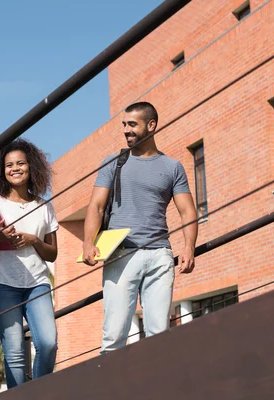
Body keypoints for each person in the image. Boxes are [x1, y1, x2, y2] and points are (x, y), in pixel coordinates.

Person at [82, 101, 198, 354]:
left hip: (160, 255)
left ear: (151, 125)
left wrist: (189, 247)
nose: (126, 130)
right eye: (124, 124)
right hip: (121, 254)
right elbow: (96, 206)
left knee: (159, 334)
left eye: (132, 124)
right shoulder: (113, 162)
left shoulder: (172, 167)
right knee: (114, 335)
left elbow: (187, 210)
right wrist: (88, 243)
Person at [0, 138, 58, 388]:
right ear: (1, 170)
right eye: (9, 165)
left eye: (21, 163)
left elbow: (52, 254)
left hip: (37, 284)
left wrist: (33, 240)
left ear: (32, 167)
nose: (15, 168)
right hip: (2, 284)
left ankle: (38, 393)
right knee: (15, 353)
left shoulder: (43, 206)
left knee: (48, 343)